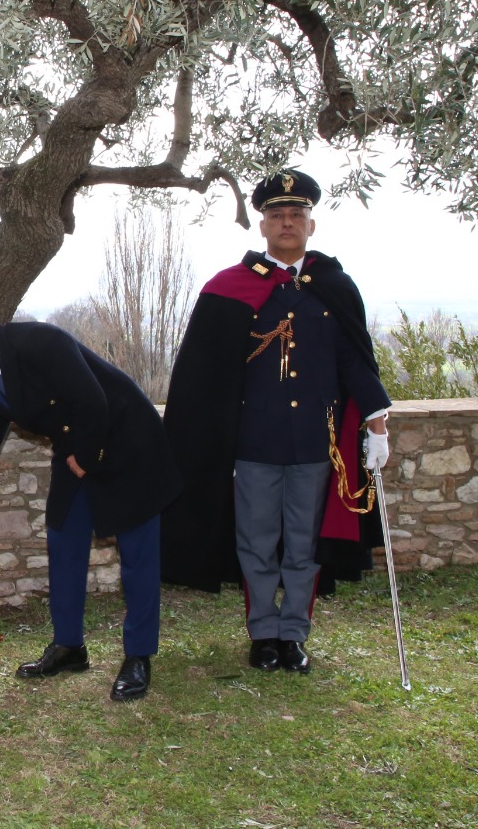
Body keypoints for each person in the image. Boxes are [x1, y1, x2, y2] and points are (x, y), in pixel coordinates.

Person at [161, 169, 392, 675]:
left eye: (296, 215)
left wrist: (377, 424)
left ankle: (294, 635)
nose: (287, 223)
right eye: (277, 215)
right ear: (263, 226)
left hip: (315, 442)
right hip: (254, 441)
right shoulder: (229, 288)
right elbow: (203, 373)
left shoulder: (334, 286)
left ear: (312, 224)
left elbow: (356, 361)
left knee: (304, 545)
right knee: (257, 542)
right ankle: (263, 633)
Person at [0, 300, 181, 701]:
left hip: (126, 444)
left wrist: (87, 458)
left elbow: (93, 400)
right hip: (75, 451)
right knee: (63, 539)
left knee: (137, 553)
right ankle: (69, 647)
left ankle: (138, 656)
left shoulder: (41, 341)